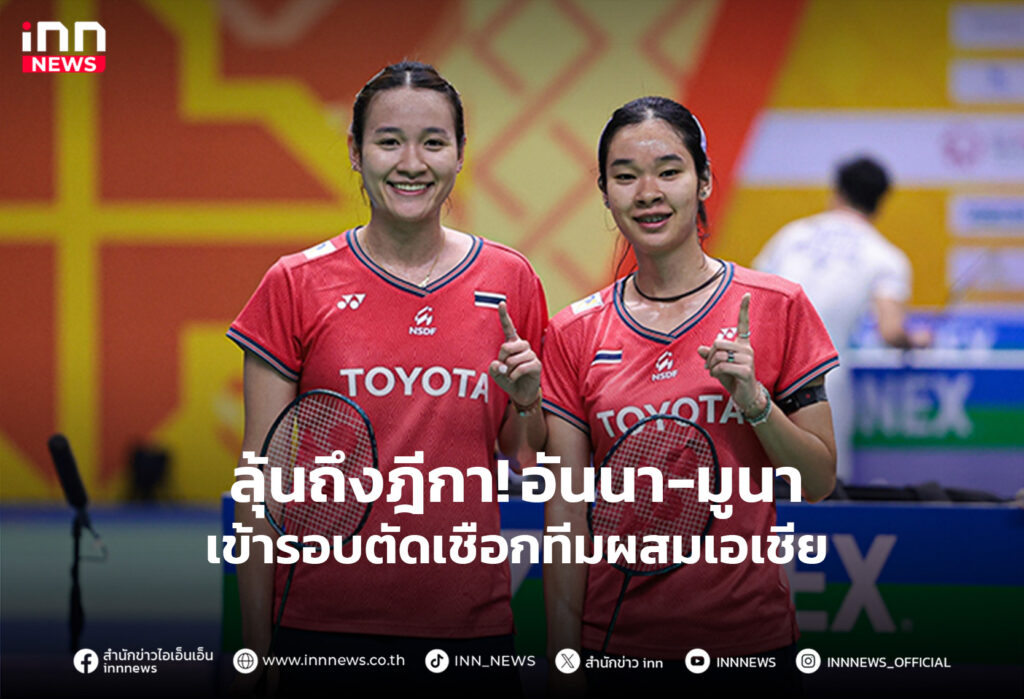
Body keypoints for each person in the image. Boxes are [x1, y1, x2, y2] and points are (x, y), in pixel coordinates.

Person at [227, 61, 546, 694]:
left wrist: (529, 405)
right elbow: (260, 478)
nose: (411, 163)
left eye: (433, 142)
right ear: (355, 151)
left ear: (460, 154)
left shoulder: (510, 280)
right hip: (321, 625)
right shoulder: (295, 283)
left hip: (471, 627)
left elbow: (524, 454)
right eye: (389, 141)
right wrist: (255, 650)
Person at [541, 97, 838, 694]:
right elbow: (567, 515)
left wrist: (756, 403)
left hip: (750, 646)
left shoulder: (777, 306)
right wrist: (563, 662)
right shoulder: (573, 332)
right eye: (626, 176)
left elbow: (818, 480)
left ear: (703, 181)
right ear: (605, 194)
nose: (648, 193)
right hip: (617, 649)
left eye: (669, 171)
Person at [753, 156, 929, 482]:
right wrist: (918, 339)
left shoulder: (791, 235)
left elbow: (753, 298)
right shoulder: (885, 256)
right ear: (880, 202)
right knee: (820, 485)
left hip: (760, 374)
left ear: (837, 191)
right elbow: (891, 332)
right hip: (821, 382)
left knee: (757, 485)